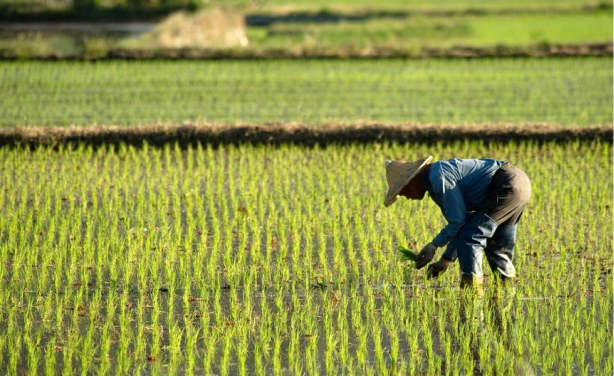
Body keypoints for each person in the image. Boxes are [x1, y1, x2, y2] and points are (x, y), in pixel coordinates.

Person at [384, 156, 531, 287]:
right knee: (497, 247)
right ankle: (508, 289)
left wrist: (434, 244)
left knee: (471, 237)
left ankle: (472, 292)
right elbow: (461, 223)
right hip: (519, 183)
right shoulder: (436, 176)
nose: (405, 196)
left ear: (411, 181)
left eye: (402, 191)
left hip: (505, 185)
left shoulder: (439, 178)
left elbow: (459, 222)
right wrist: (445, 261)